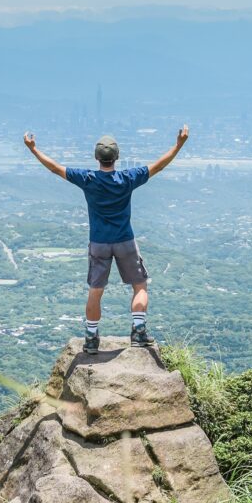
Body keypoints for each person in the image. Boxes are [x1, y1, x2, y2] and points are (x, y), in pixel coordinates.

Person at [23, 125, 190, 354]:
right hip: (125, 241)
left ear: (96, 157)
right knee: (140, 286)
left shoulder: (88, 179)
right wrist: (179, 145)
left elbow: (54, 168)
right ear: (117, 157)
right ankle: (138, 332)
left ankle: (91, 339)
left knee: (95, 290)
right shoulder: (128, 178)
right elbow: (159, 166)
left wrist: (33, 149)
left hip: (98, 243)